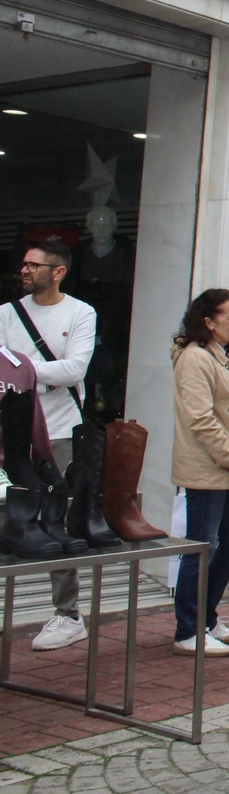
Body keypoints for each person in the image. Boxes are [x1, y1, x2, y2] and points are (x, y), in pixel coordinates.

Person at [0, 238, 97, 652]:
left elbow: (76, 367)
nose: (25, 271)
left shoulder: (79, 312)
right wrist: (43, 374)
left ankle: (68, 613)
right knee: (8, 512)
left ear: (58, 271)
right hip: (10, 428)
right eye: (23, 264)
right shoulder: (6, 313)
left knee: (59, 518)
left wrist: (21, 369)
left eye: (34, 265)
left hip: (59, 428)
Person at [169, 289, 229, 658]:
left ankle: (205, 617)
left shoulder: (226, 356)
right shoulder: (194, 359)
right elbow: (200, 419)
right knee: (200, 547)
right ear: (209, 322)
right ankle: (188, 630)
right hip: (208, 469)